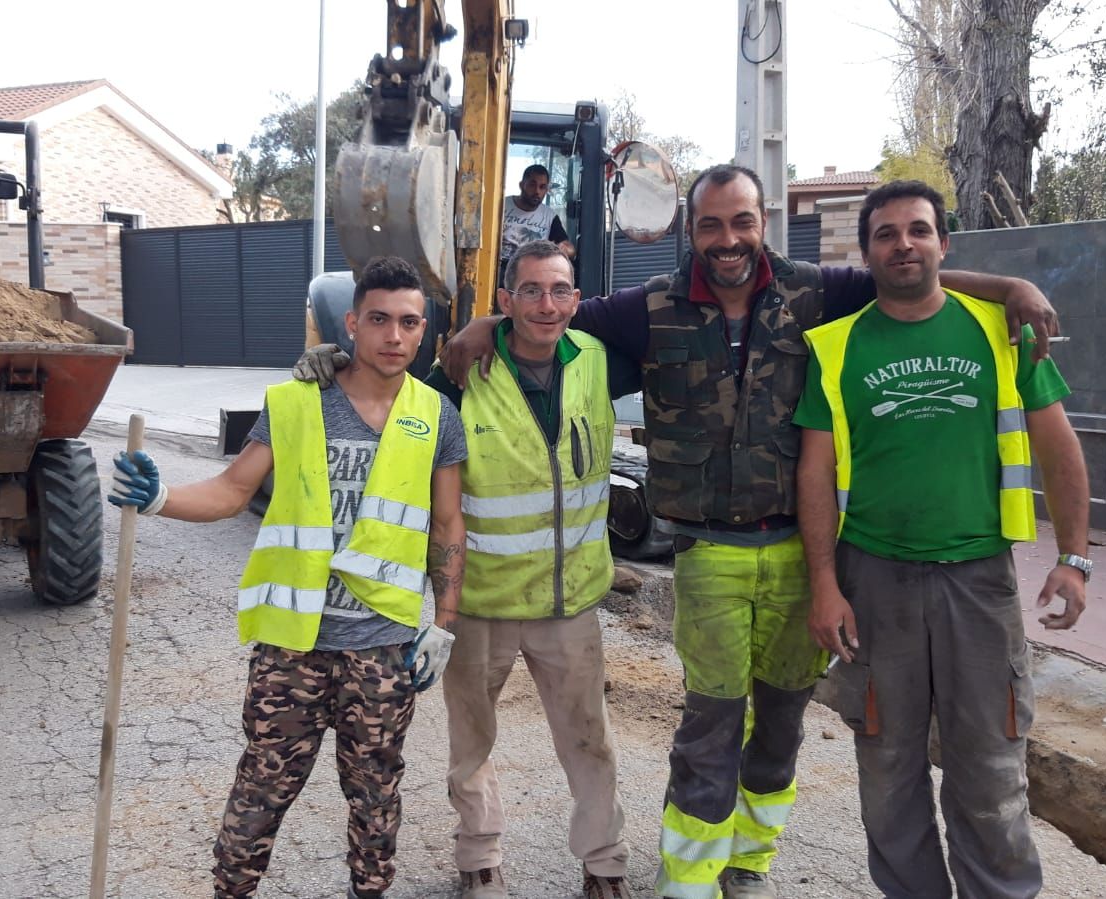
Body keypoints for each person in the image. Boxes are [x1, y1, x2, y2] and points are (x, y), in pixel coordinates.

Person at [439, 163, 1061, 899]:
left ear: (762, 223)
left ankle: (749, 861)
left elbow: (911, 277)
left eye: (741, 221)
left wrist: (1009, 288)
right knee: (709, 724)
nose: (727, 238)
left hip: (799, 554)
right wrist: (483, 325)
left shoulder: (816, 292)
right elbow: (549, 316)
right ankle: (688, 882)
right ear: (690, 230)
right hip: (707, 554)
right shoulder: (649, 308)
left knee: (780, 726)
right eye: (710, 224)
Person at [108, 255, 468, 899]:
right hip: (291, 648)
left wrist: (442, 625)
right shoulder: (297, 402)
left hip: (382, 647)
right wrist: (161, 498)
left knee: (376, 796)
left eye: (409, 322)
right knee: (261, 790)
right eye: (379, 320)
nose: (394, 336)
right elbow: (231, 489)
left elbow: (447, 525)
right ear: (352, 324)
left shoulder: (437, 415)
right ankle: (231, 890)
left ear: (424, 330)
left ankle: (370, 891)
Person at [794, 180, 1090, 899]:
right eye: (886, 234)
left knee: (990, 769)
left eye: (918, 230)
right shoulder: (834, 348)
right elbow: (814, 471)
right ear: (867, 253)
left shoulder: (1001, 332)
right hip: (874, 583)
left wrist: (1073, 558)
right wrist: (825, 584)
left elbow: (1058, 447)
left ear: (943, 244)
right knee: (886, 771)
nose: (903, 245)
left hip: (979, 583)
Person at [425, 239, 642, 899]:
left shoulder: (600, 360)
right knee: (471, 740)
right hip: (481, 601)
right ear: (505, 299)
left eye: (559, 290)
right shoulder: (460, 370)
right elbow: (390, 408)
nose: (546, 305)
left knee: (589, 740)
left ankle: (603, 862)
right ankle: (479, 857)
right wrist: (330, 370)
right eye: (530, 291)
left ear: (576, 300)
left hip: (568, 602)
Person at [500, 164, 575, 281]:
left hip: (531, 273)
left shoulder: (550, 216)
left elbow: (568, 247)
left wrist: (565, 249)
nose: (537, 191)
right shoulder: (501, 206)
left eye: (542, 187)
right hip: (500, 269)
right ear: (521, 185)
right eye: (532, 185)